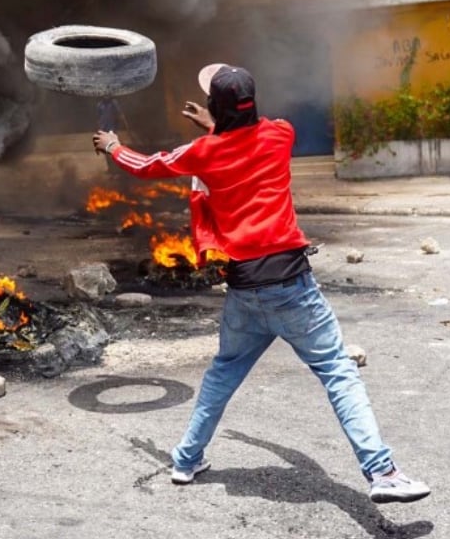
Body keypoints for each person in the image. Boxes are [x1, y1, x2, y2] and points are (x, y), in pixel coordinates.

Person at [91, 63, 430, 504]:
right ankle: (381, 472)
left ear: (215, 108)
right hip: (292, 286)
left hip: (245, 289)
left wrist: (114, 146)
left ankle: (185, 459)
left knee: (222, 374)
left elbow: (149, 165)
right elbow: (249, 134)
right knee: (338, 373)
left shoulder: (202, 152)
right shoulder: (281, 135)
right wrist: (220, 124)